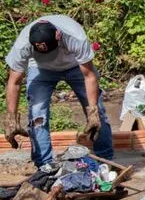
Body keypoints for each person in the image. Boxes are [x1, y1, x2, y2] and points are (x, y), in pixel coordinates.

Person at [4, 16, 113, 169]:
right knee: (37, 116)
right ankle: (45, 166)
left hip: (75, 66)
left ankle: (106, 161)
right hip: (40, 69)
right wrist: (11, 118)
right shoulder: (23, 44)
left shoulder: (75, 36)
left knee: (98, 112)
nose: (47, 56)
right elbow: (14, 82)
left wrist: (93, 112)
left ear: (58, 36)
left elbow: (89, 76)